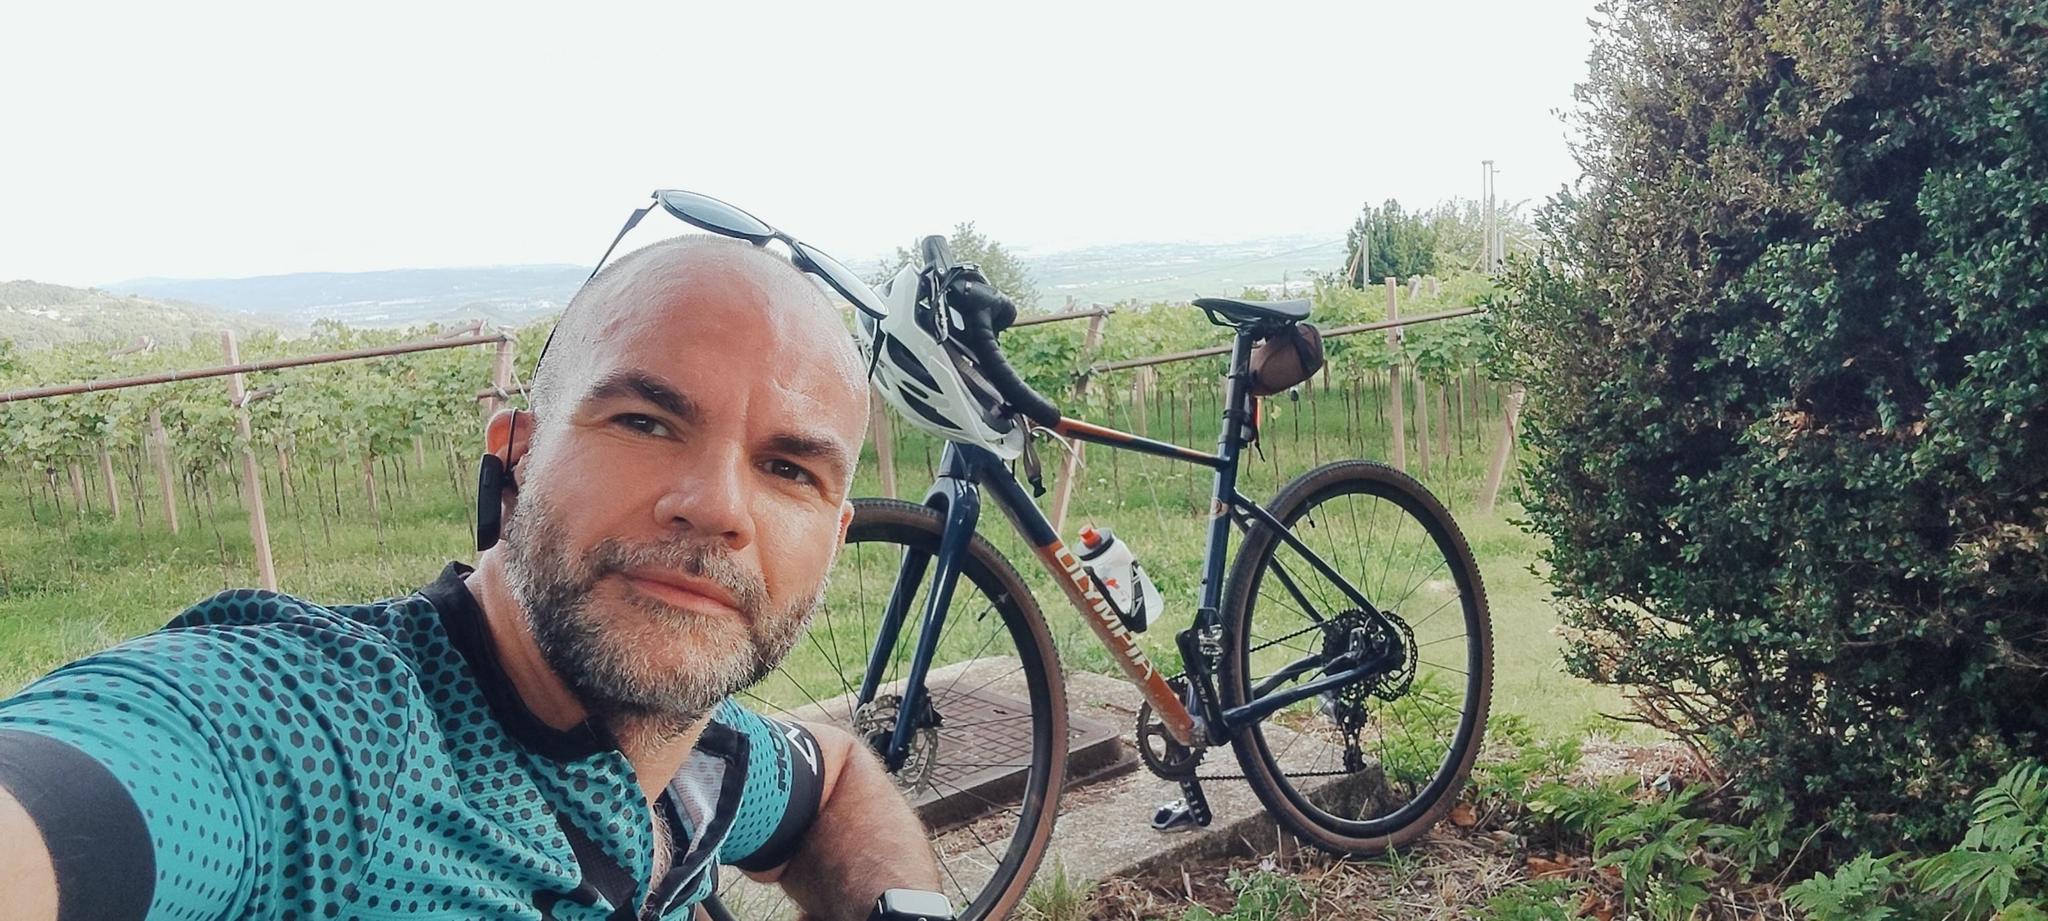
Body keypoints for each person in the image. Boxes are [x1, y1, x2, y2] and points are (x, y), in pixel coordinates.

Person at [0, 235, 946, 921]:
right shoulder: (324, 747)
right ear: (516, 457)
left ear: (835, 536)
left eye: (790, 469)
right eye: (645, 422)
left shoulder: (710, 760)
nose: (718, 506)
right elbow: (98, 786)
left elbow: (837, 777)